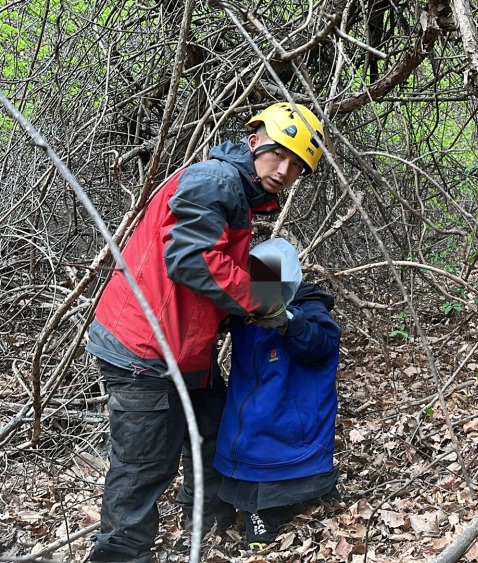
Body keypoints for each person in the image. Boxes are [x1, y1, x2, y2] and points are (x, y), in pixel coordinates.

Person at [85, 102, 325, 563]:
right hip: (144, 348)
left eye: (297, 167)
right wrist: (260, 301)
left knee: (211, 430)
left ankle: (205, 530)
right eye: (280, 155)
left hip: (183, 349)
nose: (285, 171)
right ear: (256, 141)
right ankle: (120, 556)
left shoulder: (236, 191)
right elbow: (193, 260)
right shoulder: (215, 181)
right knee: (143, 469)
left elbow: (216, 265)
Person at [214, 238, 342, 551]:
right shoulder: (242, 313)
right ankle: (257, 512)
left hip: (288, 420)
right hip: (249, 417)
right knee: (248, 457)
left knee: (271, 464)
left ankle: (269, 514)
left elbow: (320, 344)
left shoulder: (309, 308)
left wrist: (289, 322)